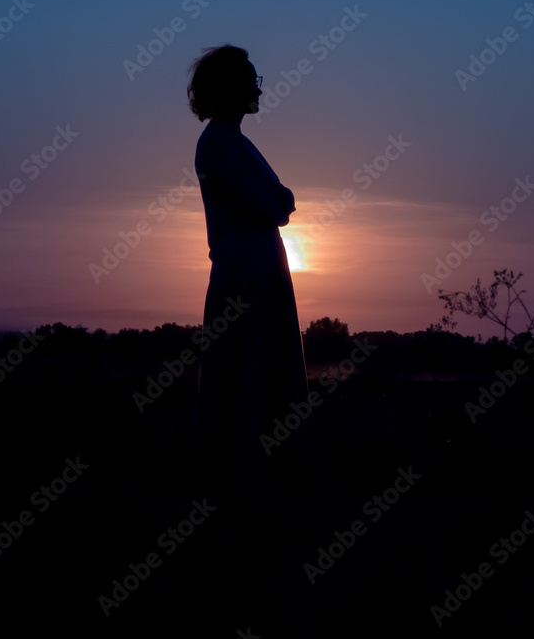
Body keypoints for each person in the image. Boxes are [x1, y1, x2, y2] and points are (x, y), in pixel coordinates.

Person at [187, 44, 318, 634]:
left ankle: (259, 497)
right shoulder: (220, 142)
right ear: (229, 88)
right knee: (245, 386)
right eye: (248, 80)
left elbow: (278, 202)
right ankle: (241, 503)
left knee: (260, 385)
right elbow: (277, 202)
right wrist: (281, 199)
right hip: (245, 277)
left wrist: (280, 200)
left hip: (258, 274)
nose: (258, 87)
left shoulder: (233, 141)